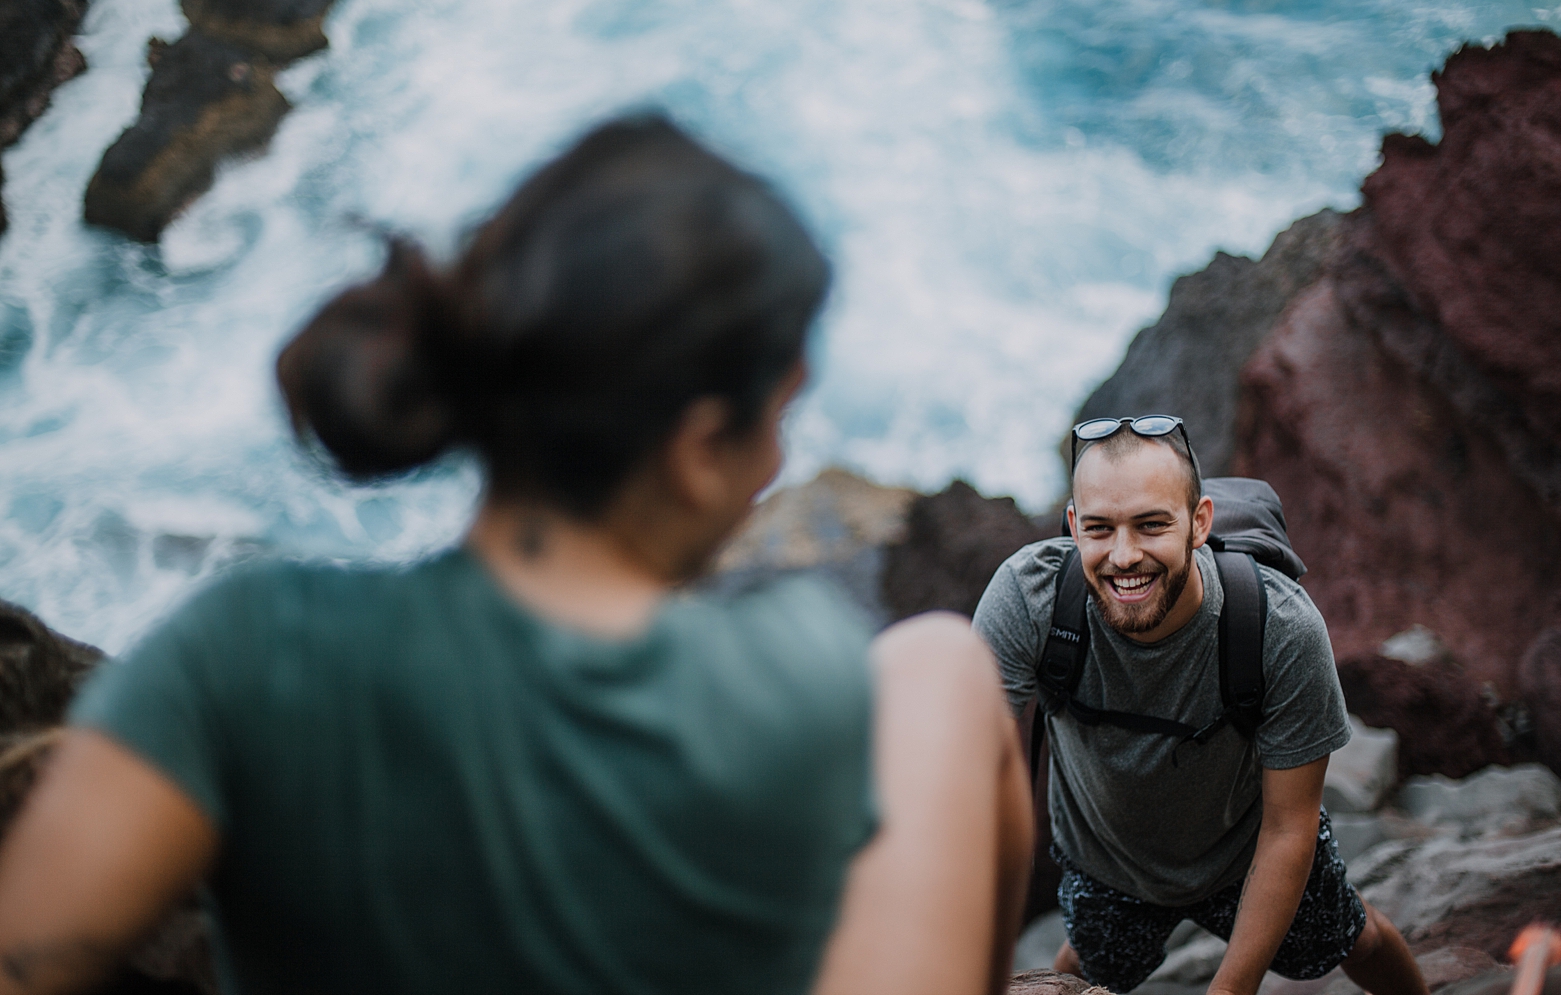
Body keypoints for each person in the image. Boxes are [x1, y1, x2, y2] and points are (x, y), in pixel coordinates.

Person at [0, 116, 1032, 995]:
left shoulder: (248, 645)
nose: (776, 463)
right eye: (776, 417)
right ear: (695, 446)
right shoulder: (795, 677)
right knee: (940, 660)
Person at [974, 417, 1426, 995]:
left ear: (1199, 523)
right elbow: (975, 785)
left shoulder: (1279, 628)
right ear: (1073, 526)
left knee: (1353, 938)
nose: (1124, 555)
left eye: (1151, 525)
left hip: (1245, 852)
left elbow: (1291, 826)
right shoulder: (1029, 599)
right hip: (1108, 860)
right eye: (1099, 528)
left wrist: (1229, 990)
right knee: (1083, 968)